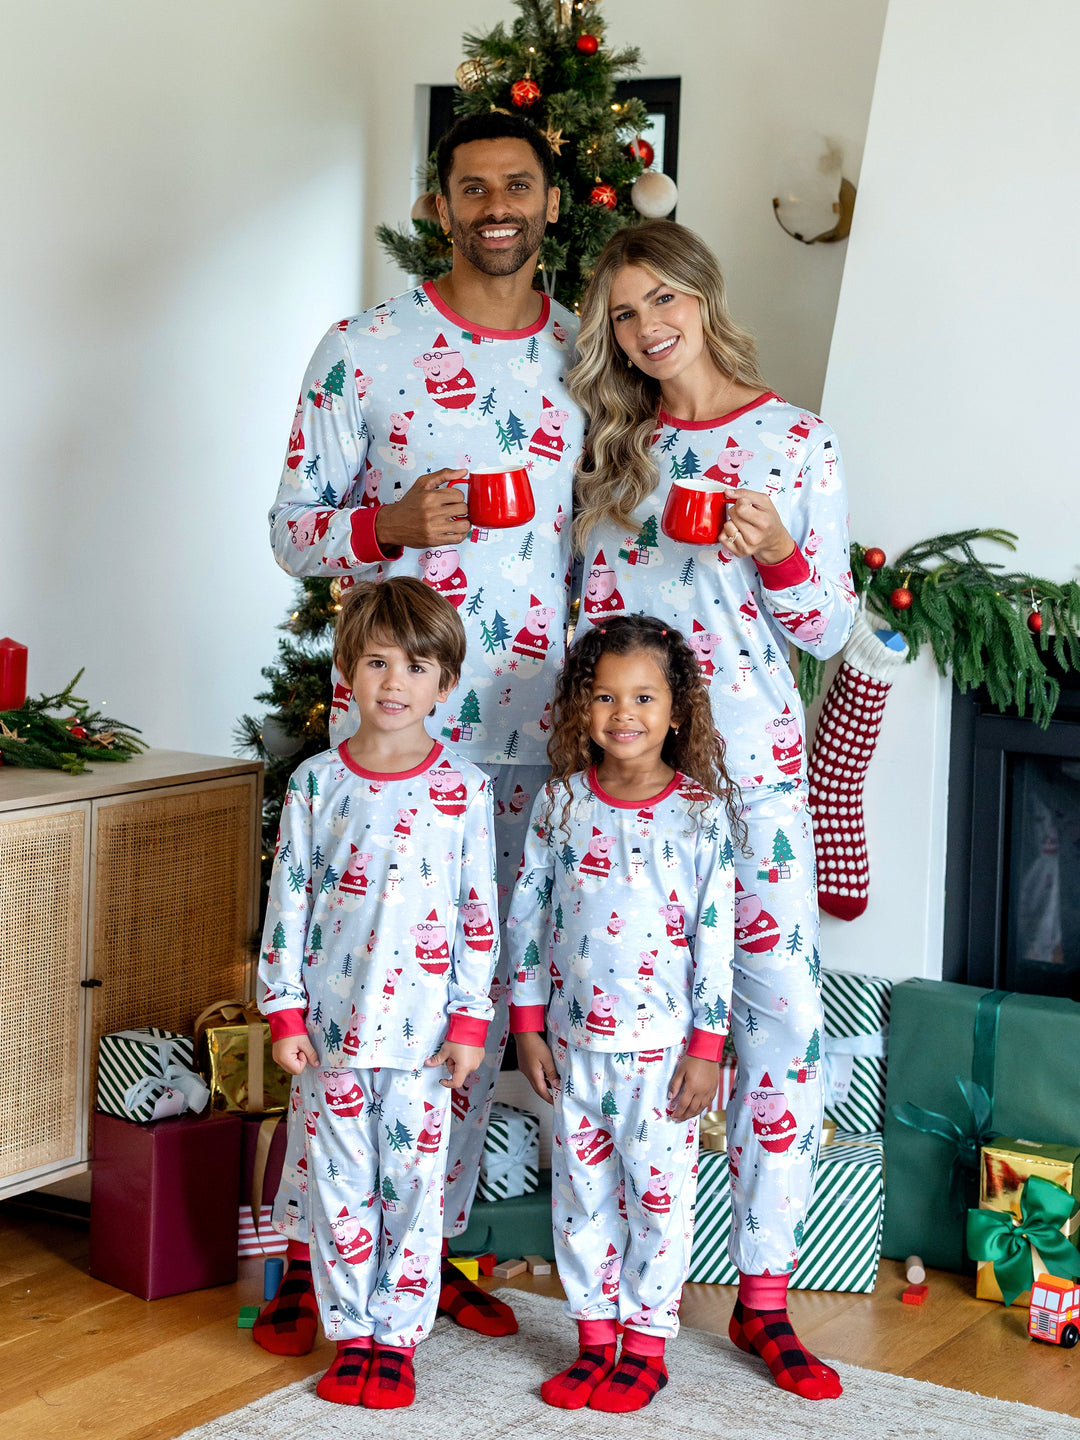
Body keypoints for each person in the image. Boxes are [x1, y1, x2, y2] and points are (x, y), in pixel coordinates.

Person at [258, 110, 582, 1354]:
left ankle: (421, 1253)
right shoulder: (364, 349)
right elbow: (293, 529)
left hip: (540, 745)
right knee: (343, 1006)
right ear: (439, 205)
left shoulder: (590, 356)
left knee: (469, 1013)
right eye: (469, 187)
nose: (494, 205)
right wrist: (384, 525)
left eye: (517, 185)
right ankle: (301, 1253)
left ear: (551, 203)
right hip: (385, 749)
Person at [567, 220, 857, 1401]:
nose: (647, 329)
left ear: (704, 295)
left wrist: (781, 550)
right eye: (625, 314)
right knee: (630, 1039)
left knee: (777, 1022)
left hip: (757, 787)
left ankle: (765, 1299)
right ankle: (617, 1298)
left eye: (663, 301)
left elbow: (831, 630)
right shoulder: (611, 450)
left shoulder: (796, 442)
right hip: (635, 797)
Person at [258, 577, 501, 1408]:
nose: (395, 682)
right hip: (329, 1037)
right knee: (338, 1189)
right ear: (347, 674)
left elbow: (477, 914)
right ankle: (352, 1336)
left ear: (445, 683)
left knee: (411, 1188)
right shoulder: (316, 785)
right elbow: (288, 901)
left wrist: (471, 1021)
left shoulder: (464, 790)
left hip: (425, 1043)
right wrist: (283, 1009)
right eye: (376, 663)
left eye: (417, 666)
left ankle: (397, 1340)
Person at [508, 616, 739, 1412]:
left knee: (657, 1201)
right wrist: (527, 1026)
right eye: (604, 696)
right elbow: (526, 923)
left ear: (677, 711)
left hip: (663, 1056)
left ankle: (645, 1345)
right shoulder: (561, 805)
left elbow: (715, 941)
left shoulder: (701, 815)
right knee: (580, 1201)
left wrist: (707, 1049)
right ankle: (594, 1340)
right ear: (582, 707)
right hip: (572, 1049)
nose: (623, 713)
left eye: (643, 696)